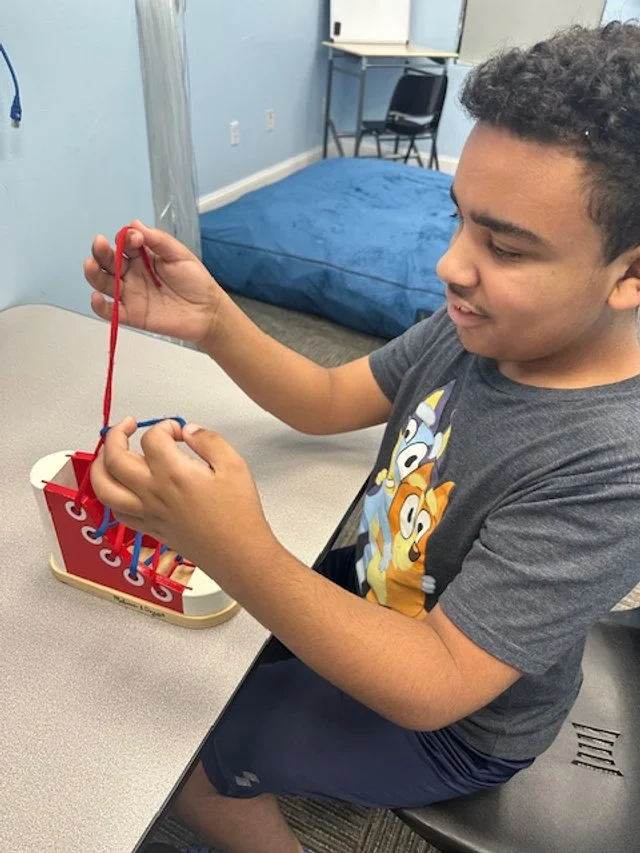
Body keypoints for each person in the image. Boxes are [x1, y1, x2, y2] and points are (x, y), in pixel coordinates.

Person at [86, 22, 640, 853]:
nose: (452, 266)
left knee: (195, 744)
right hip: (379, 589)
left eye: (506, 246)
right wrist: (213, 322)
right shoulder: (479, 329)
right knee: (208, 647)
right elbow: (326, 396)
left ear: (629, 275)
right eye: (459, 219)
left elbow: (437, 683)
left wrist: (238, 546)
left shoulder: (611, 461)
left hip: (459, 723)